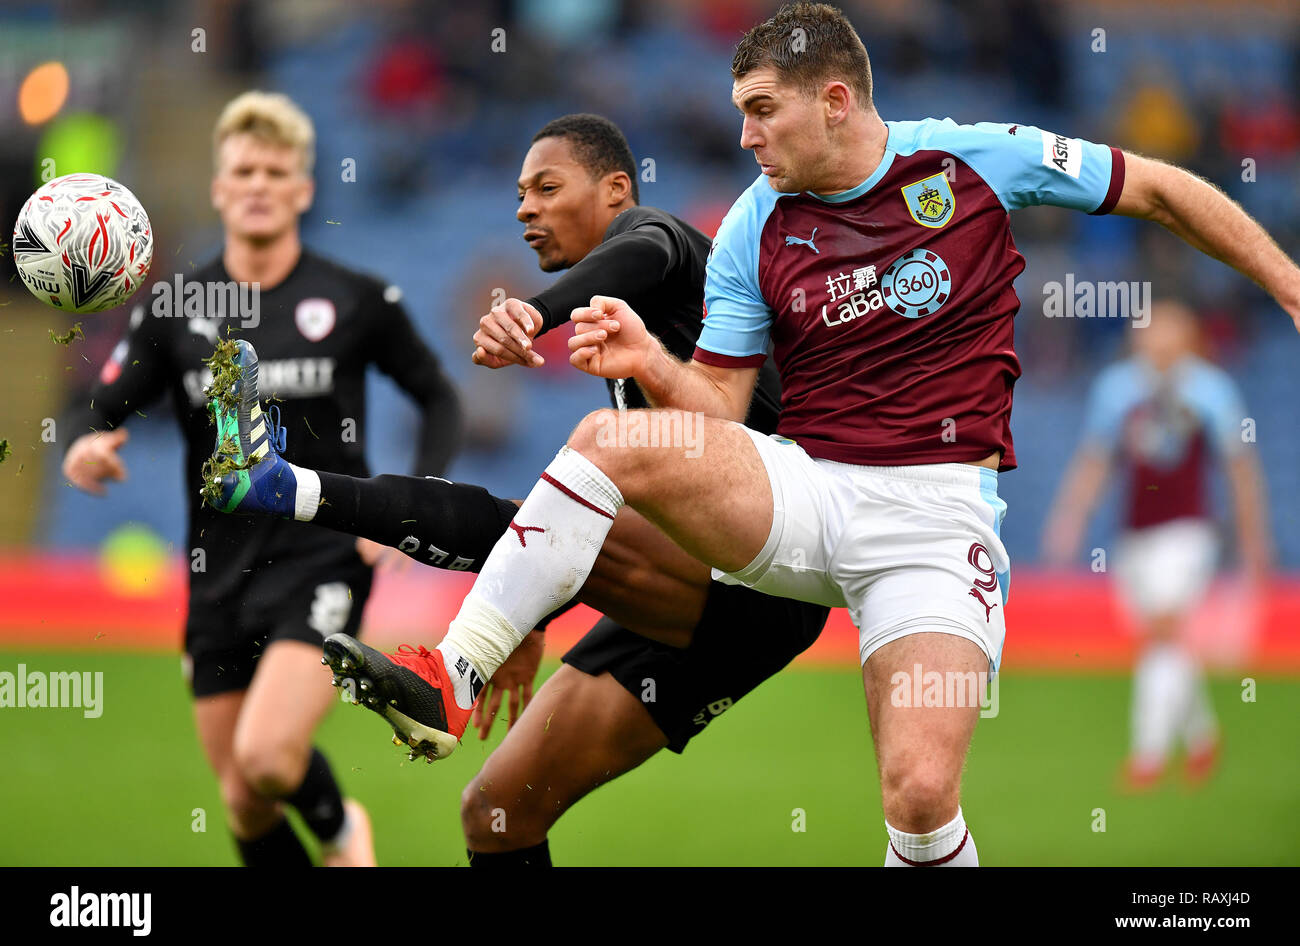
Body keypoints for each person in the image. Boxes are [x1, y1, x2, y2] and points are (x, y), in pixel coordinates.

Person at [320, 1, 1300, 867]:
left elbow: (1163, 191)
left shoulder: (965, 160)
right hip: (809, 493)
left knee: (918, 799)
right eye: (740, 110)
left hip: (932, 515)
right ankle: (452, 676)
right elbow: (716, 404)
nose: (742, 134)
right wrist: (646, 363)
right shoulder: (753, 223)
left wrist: (1288, 282)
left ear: (833, 99)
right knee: (603, 439)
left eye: (760, 109)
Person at [206, 112, 828, 866]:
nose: (524, 208)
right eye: (518, 194)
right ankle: (300, 504)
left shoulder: (662, 245)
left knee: (514, 515)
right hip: (699, 590)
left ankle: (286, 489)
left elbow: (646, 248)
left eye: (546, 187)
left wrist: (539, 311)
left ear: (616, 189)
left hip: (765, 573)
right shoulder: (627, 327)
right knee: (497, 813)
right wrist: (524, 612)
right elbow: (601, 515)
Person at [60, 91, 462, 866]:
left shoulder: (356, 297)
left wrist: (410, 510)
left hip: (323, 556)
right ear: (219, 185)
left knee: (271, 757)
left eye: (277, 171)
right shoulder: (176, 308)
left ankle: (345, 833)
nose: (259, 183)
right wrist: (85, 447)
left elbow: (439, 399)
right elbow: (96, 411)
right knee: (244, 802)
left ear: (304, 190)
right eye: (244, 169)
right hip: (217, 573)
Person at [1042, 300, 1271, 789]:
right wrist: (1070, 517)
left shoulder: (1210, 389)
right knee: (1165, 641)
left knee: (1161, 634)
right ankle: (1204, 736)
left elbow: (1239, 469)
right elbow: (1096, 459)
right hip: (1135, 534)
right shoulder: (1118, 388)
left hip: (1189, 531)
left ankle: (1147, 755)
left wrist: (1254, 538)